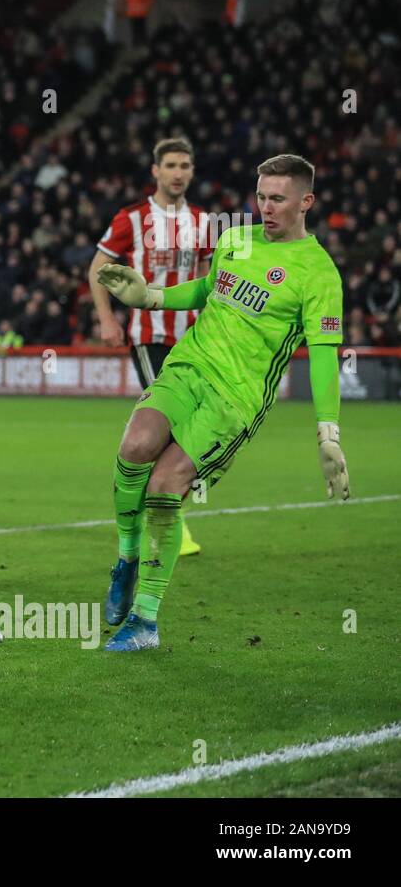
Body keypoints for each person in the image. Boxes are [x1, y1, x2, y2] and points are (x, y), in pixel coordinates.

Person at [95, 154, 348, 651]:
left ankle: (145, 621)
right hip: (188, 367)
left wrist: (328, 433)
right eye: (261, 197)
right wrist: (152, 298)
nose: (266, 207)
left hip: (235, 400)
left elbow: (323, 357)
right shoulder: (236, 240)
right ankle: (126, 558)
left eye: (278, 198)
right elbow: (209, 290)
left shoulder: (319, 274)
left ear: (306, 201)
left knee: (166, 487)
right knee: (134, 445)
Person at [88, 137, 213, 557]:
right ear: (155, 171)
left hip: (193, 339)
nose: (179, 173)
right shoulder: (132, 218)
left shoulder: (203, 221)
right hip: (150, 336)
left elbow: (213, 279)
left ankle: (155, 514)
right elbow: (97, 268)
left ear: (192, 172)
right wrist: (107, 318)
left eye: (185, 165)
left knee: (189, 430)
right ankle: (167, 521)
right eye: (171, 165)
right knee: (166, 427)